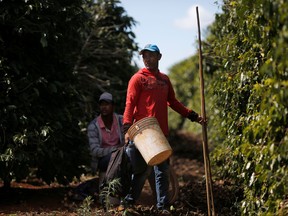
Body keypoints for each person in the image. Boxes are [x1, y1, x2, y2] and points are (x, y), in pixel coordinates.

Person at [122, 44, 205, 213]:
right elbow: (130, 103)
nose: (147, 59)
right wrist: (126, 128)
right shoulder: (138, 79)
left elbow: (173, 102)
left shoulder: (164, 79)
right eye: (144, 56)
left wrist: (193, 116)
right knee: (140, 171)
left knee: (162, 171)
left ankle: (163, 207)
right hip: (141, 132)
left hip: (160, 133)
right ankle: (129, 202)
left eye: (151, 55)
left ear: (159, 57)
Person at [72, 92, 125, 201]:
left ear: (113, 106)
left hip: (122, 155)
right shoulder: (94, 125)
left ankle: (125, 194)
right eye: (102, 104)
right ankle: (110, 194)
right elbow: (95, 151)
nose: (104, 107)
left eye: (107, 104)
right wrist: (115, 149)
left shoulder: (121, 120)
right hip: (103, 159)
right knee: (118, 157)